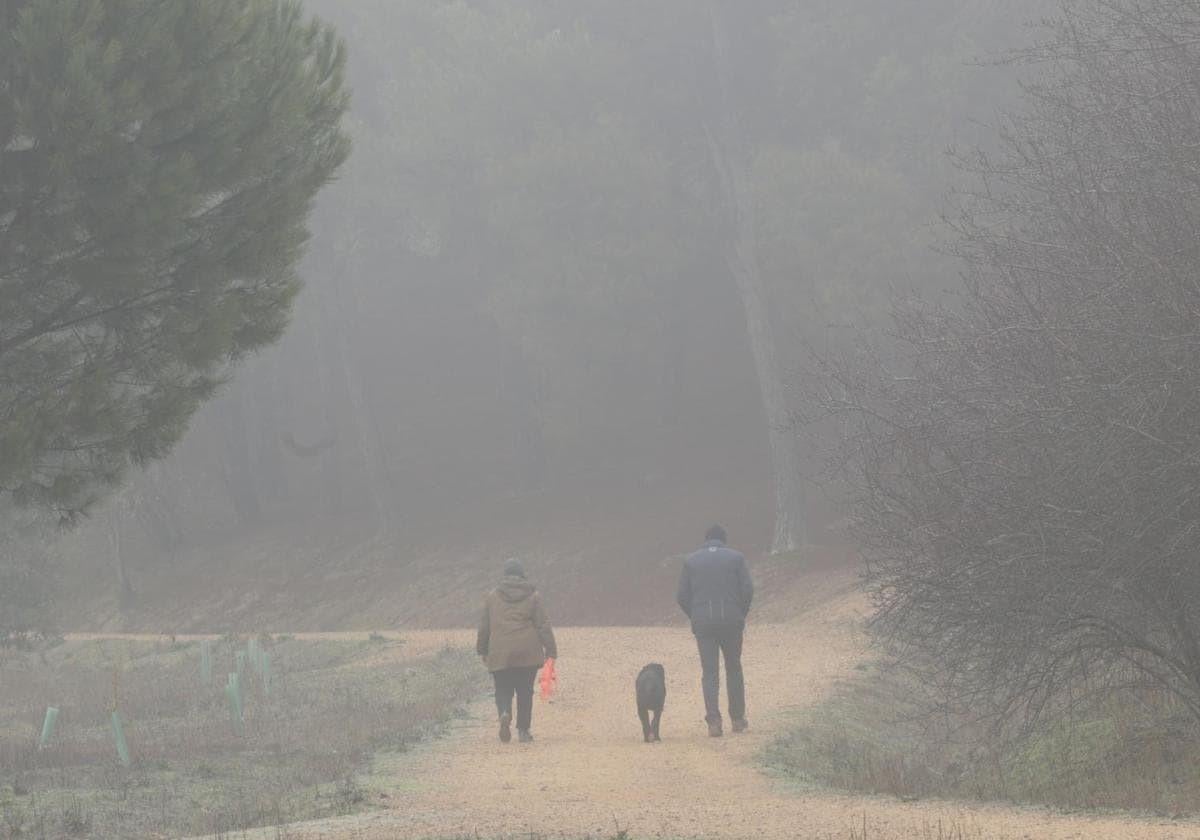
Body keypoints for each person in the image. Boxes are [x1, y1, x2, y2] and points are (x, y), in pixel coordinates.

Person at [676, 524, 753, 737]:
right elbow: (747, 590)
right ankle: (737, 719)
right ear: (723, 540)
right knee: (734, 668)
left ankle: (714, 722)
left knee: (709, 672)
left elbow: (682, 595)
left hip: (703, 624)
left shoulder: (691, 561)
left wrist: (695, 615)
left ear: (706, 539)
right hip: (731, 621)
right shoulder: (736, 558)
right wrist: (740, 613)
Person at [476, 558, 557, 743]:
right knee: (525, 691)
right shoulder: (533, 596)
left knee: (502, 688)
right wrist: (551, 650)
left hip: (500, 651)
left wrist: (482, 649)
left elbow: (484, 627)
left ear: (505, 575)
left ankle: (504, 712)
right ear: (522, 575)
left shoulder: (492, 596)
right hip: (527, 652)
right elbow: (543, 625)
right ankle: (523, 731)